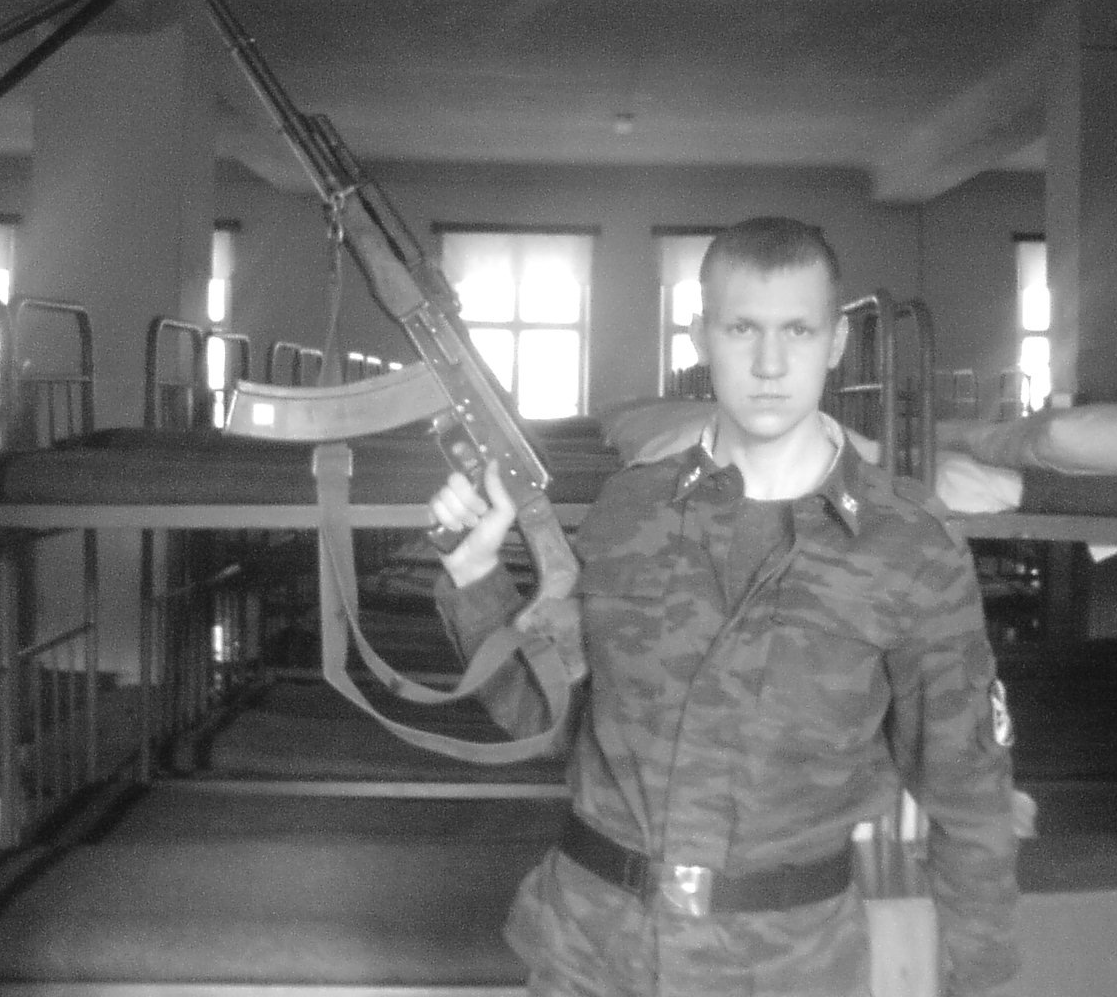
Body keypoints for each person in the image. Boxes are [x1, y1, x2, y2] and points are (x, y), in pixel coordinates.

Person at [428, 216, 1018, 997]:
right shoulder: (629, 511)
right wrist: (475, 575)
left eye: (797, 330)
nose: (770, 363)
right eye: (742, 329)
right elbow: (549, 720)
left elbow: (970, 798)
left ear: (836, 342)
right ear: (702, 336)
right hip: (590, 954)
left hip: (786, 970)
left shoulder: (910, 549)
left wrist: (982, 979)